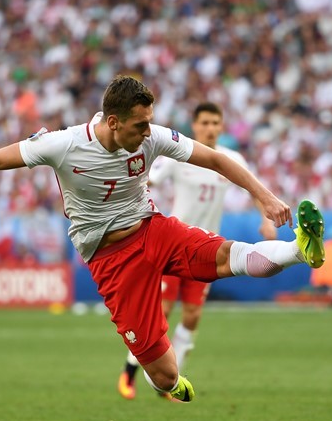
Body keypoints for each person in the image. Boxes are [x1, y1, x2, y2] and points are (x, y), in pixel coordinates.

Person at [0, 75, 326, 404]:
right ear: (112, 121)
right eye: (139, 126)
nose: (147, 133)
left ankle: (299, 249)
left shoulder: (152, 137)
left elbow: (217, 159)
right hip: (111, 260)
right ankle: (172, 382)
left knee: (229, 257)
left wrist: (265, 196)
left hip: (153, 228)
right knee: (162, 374)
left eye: (149, 123)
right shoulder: (63, 144)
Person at [117, 101, 277, 400]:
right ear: (195, 125)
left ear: (222, 126)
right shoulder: (179, 156)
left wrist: (265, 220)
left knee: (192, 316)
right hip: (173, 248)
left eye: (216, 123)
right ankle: (129, 373)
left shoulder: (231, 158)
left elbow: (251, 187)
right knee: (160, 313)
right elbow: (148, 177)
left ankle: (172, 381)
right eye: (205, 123)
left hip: (208, 250)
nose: (211, 128)